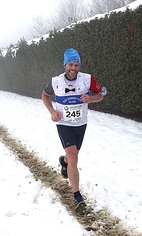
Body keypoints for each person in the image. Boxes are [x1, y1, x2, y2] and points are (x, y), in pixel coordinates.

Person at [42, 48, 107, 211]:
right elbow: (45, 95)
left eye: (76, 65)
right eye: (71, 64)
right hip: (64, 123)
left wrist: (91, 98)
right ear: (65, 65)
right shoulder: (55, 81)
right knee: (73, 156)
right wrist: (52, 112)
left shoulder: (88, 79)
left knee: (72, 155)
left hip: (80, 123)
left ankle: (63, 162)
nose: (73, 68)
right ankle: (77, 195)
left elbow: (101, 94)